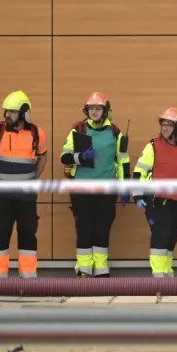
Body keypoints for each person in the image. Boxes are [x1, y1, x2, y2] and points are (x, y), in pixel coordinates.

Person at [59, 92, 130, 278]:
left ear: (105, 111)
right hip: (82, 189)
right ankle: (83, 268)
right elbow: (64, 156)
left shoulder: (116, 133)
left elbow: (123, 162)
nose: (94, 112)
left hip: (106, 189)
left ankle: (101, 267)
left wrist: (125, 188)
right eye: (91, 108)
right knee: (84, 227)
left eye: (98, 108)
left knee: (102, 227)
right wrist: (80, 157)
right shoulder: (78, 130)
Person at [0, 90, 48, 278]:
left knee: (28, 238)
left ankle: (29, 281)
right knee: (0, 238)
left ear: (24, 113)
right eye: (6, 111)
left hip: (26, 198)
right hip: (3, 198)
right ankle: (0, 281)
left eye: (12, 111)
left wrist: (34, 178)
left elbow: (43, 156)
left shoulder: (36, 133)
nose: (7, 115)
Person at [132, 107, 177, 277]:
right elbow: (139, 172)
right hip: (158, 201)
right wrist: (137, 195)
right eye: (163, 124)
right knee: (161, 236)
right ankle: (159, 276)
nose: (164, 128)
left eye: (169, 125)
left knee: (171, 238)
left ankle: (167, 272)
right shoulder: (153, 146)